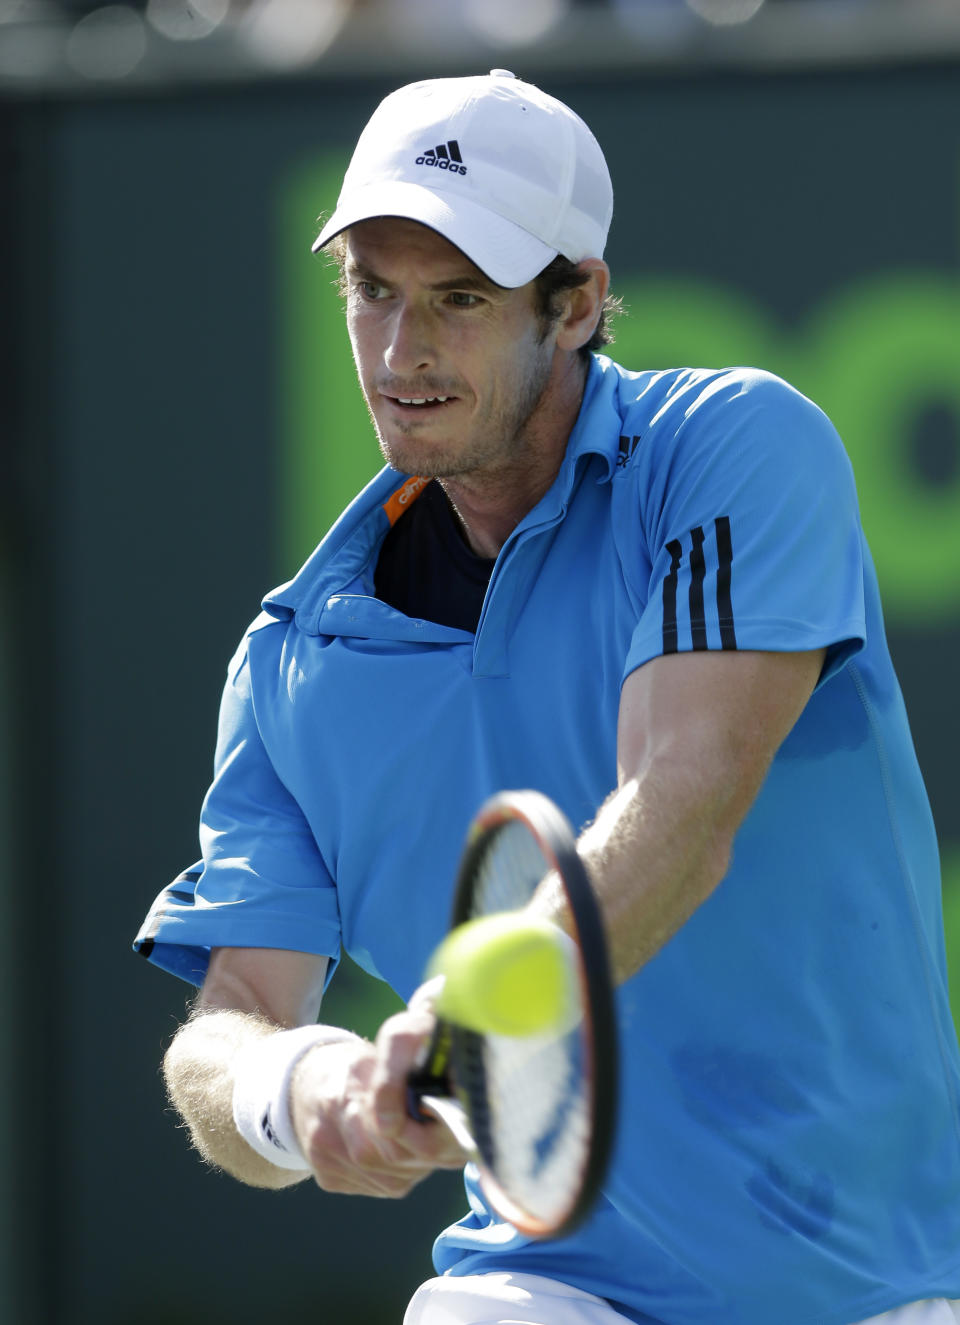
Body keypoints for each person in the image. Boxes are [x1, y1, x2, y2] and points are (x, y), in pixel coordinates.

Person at [134, 69, 960, 1325]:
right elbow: (229, 1020)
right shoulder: (291, 659)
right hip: (543, 1281)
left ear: (574, 305)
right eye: (373, 292)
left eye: (459, 300)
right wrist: (301, 1090)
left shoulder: (733, 448)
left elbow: (682, 804)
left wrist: (471, 1017)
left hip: (886, 1285)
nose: (402, 352)